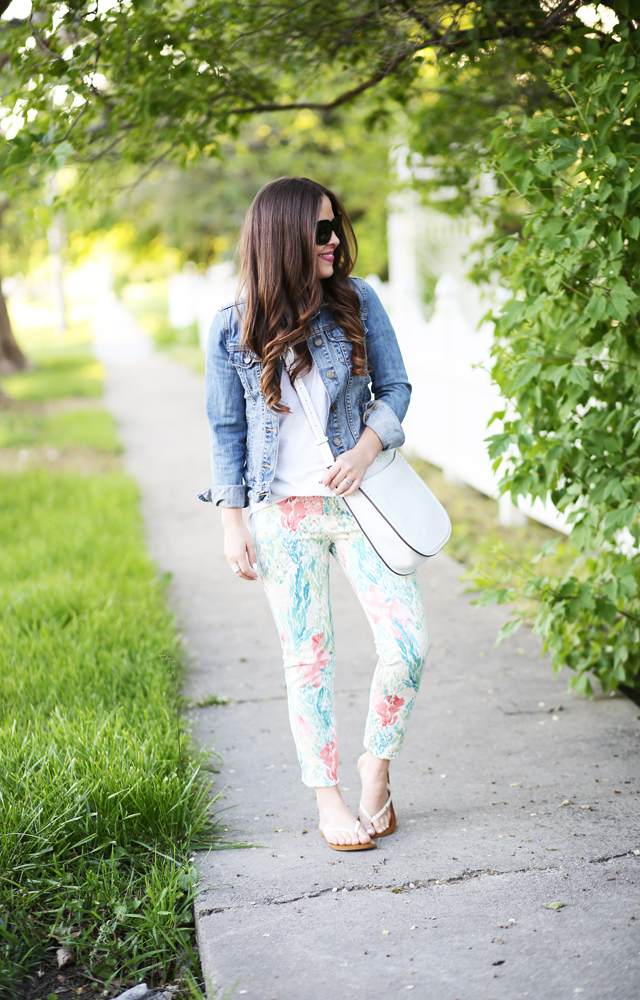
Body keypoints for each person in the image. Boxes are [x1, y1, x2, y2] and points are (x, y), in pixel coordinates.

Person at [199, 177, 428, 852]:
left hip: (362, 505)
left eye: (335, 227)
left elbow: (397, 388)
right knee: (308, 661)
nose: (335, 242)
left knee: (408, 645)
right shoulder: (231, 326)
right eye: (321, 231)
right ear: (282, 239)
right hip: (283, 513)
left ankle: (374, 767)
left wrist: (362, 449)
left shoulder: (358, 302)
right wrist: (231, 520)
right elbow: (225, 430)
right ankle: (328, 800)